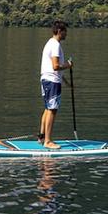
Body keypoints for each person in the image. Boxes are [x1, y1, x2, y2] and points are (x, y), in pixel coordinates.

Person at [39, 20, 73, 149]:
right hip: (52, 81)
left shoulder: (50, 43)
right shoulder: (55, 45)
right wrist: (68, 65)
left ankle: (41, 137)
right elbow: (56, 66)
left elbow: (54, 69)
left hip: (47, 79)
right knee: (52, 110)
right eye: (65, 32)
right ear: (59, 31)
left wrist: (67, 84)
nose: (66, 35)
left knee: (48, 108)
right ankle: (48, 141)